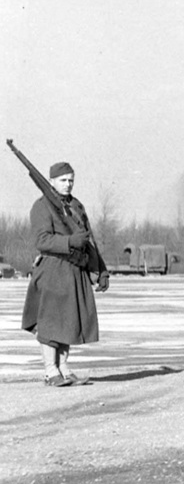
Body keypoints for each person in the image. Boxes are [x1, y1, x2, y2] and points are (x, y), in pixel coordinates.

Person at [21, 162, 108, 387]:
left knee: (68, 322)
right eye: (63, 180)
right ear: (51, 181)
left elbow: (89, 241)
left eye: (71, 180)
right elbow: (41, 240)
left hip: (74, 271)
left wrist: (101, 270)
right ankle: (51, 371)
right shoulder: (42, 206)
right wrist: (69, 241)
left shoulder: (76, 206)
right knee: (51, 323)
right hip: (53, 270)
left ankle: (63, 368)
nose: (68, 184)